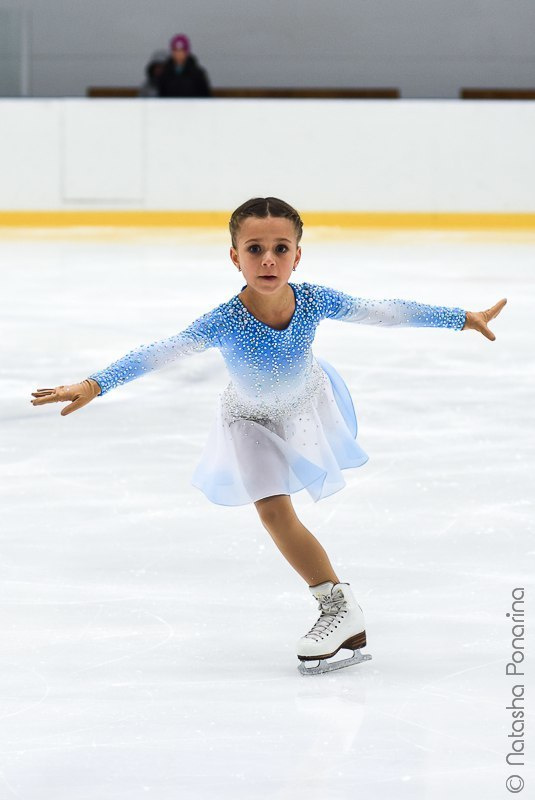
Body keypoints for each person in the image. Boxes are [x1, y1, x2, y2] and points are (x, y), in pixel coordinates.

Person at [30, 197, 507, 676]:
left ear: (297, 255)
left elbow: (383, 311)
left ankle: (341, 613)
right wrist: (94, 384)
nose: (268, 259)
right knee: (275, 512)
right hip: (248, 420)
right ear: (235, 256)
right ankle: (338, 607)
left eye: (281, 248)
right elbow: (159, 353)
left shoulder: (315, 299)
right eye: (254, 249)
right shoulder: (224, 320)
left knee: (281, 510)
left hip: (304, 407)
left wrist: (461, 317)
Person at [153, 33, 211, 98]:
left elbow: (206, 97)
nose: (178, 54)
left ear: (186, 52)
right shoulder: (165, 73)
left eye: (181, 50)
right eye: (175, 50)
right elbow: (161, 96)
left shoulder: (197, 74)